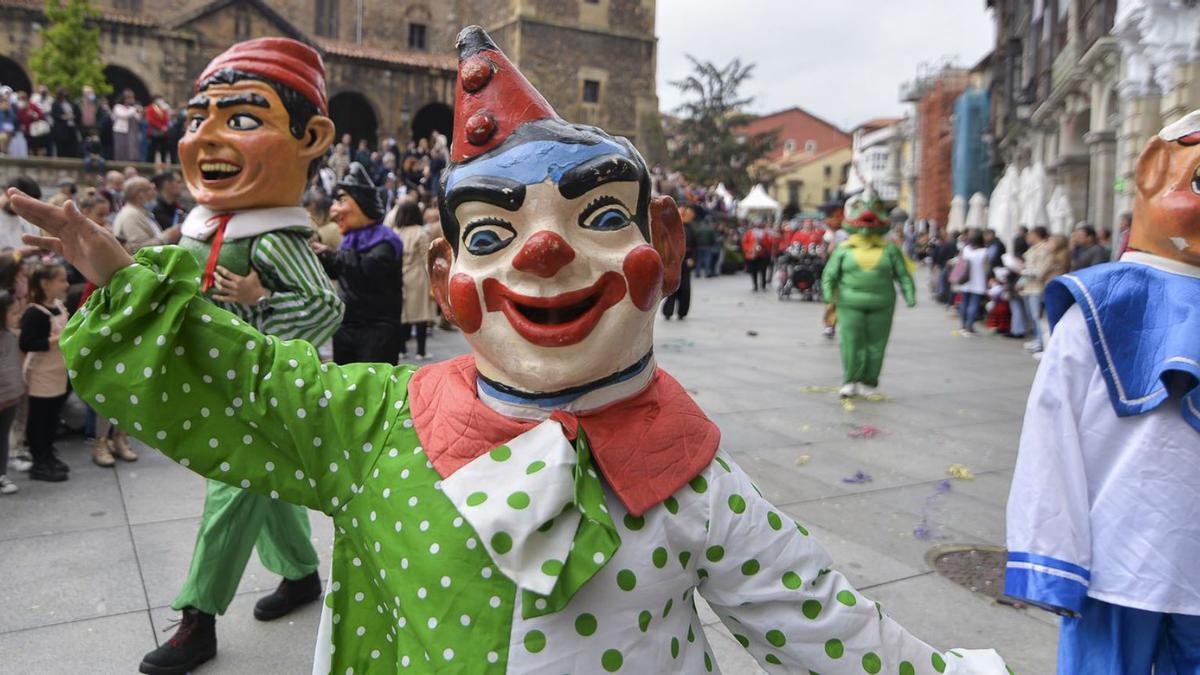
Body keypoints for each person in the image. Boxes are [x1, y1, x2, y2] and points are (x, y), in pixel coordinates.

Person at [12, 26, 1009, 674]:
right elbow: (240, 378)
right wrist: (121, 272)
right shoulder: (378, 421)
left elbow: (830, 631)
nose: (541, 252)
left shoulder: (690, 480)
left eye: (597, 220)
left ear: (660, 248)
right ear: (447, 266)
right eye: (492, 235)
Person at [132, 38, 345, 674]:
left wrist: (258, 306)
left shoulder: (276, 236)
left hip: (264, 395)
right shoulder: (205, 226)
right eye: (199, 119)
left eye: (242, 119)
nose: (208, 138)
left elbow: (324, 307)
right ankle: (303, 574)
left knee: (230, 494)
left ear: (308, 138)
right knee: (267, 490)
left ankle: (197, 619)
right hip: (222, 390)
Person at [1007, 110, 1200, 674]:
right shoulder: (1102, 306)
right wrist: (1051, 556)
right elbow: (1052, 437)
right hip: (1120, 565)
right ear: (1151, 172)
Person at [820, 189, 915, 398]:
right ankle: (850, 379)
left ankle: (869, 382)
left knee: (876, 345)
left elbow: (903, 274)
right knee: (850, 342)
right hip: (849, 303)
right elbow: (829, 275)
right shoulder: (844, 249)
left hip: (882, 304)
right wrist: (828, 295)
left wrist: (909, 293)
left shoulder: (890, 249)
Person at [312, 162, 404, 364]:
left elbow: (369, 269)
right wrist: (321, 255)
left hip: (377, 327)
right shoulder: (349, 240)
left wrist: (332, 255)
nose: (335, 210)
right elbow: (341, 272)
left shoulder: (386, 240)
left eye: (343, 200)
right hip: (347, 325)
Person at [19, 263, 70, 482]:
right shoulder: (34, 313)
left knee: (52, 418)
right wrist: (57, 339)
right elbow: (27, 343)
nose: (66, 285)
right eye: (61, 280)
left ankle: (49, 453)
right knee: (39, 420)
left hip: (59, 372)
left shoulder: (59, 305)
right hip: (41, 374)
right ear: (45, 284)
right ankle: (39, 460)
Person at [393, 200, 436, 359]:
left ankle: (402, 349)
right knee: (421, 314)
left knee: (402, 314)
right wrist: (433, 278)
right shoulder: (421, 232)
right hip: (418, 276)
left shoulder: (395, 232)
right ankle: (421, 351)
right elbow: (427, 258)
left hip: (399, 275)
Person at [112, 177, 180, 251]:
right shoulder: (130, 215)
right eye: (150, 189)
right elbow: (138, 249)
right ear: (139, 194)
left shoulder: (141, 212)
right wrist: (169, 236)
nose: (154, 193)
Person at [0, 290, 22, 494]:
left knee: (3, 437)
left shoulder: (11, 336)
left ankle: (2, 474)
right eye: (14, 313)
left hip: (11, 396)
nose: (19, 317)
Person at [662, 202, 697, 320]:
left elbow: (695, 245)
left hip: (686, 261)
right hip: (673, 261)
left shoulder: (689, 228)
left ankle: (682, 312)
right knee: (673, 286)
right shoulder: (670, 228)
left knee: (685, 288)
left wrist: (692, 258)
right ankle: (668, 311)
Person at [956, 230, 989, 336]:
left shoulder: (965, 250)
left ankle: (963, 325)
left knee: (964, 302)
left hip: (966, 280)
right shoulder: (984, 252)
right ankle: (969, 326)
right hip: (978, 280)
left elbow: (959, 265)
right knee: (973, 304)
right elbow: (987, 269)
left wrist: (956, 278)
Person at [0, 176, 41, 250]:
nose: (25, 210)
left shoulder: (26, 221)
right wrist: (19, 255)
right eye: (23, 204)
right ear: (8, 192)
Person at [49, 87, 80, 158]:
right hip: (61, 131)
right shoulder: (56, 103)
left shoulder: (72, 103)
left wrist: (73, 116)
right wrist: (63, 117)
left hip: (71, 129)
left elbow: (78, 114)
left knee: (72, 149)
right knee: (61, 150)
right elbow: (54, 114)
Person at [742, 220, 773, 291]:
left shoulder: (765, 233)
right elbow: (744, 243)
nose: (758, 225)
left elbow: (769, 243)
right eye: (756, 224)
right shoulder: (749, 233)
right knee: (753, 271)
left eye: (759, 224)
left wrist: (762, 242)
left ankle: (763, 285)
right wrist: (750, 249)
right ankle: (755, 285)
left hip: (762, 254)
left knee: (763, 270)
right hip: (752, 254)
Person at [111, 89, 141, 162]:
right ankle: (118, 163)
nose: (132, 100)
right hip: (119, 130)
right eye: (130, 98)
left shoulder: (131, 108)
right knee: (120, 148)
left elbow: (138, 118)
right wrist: (134, 109)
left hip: (130, 132)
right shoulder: (117, 107)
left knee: (128, 150)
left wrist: (139, 111)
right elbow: (124, 115)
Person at [144, 96, 171, 164]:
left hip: (163, 133)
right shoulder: (150, 108)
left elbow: (166, 119)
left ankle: (163, 164)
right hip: (154, 132)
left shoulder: (163, 109)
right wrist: (160, 127)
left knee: (163, 151)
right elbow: (151, 120)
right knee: (152, 150)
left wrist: (165, 127)